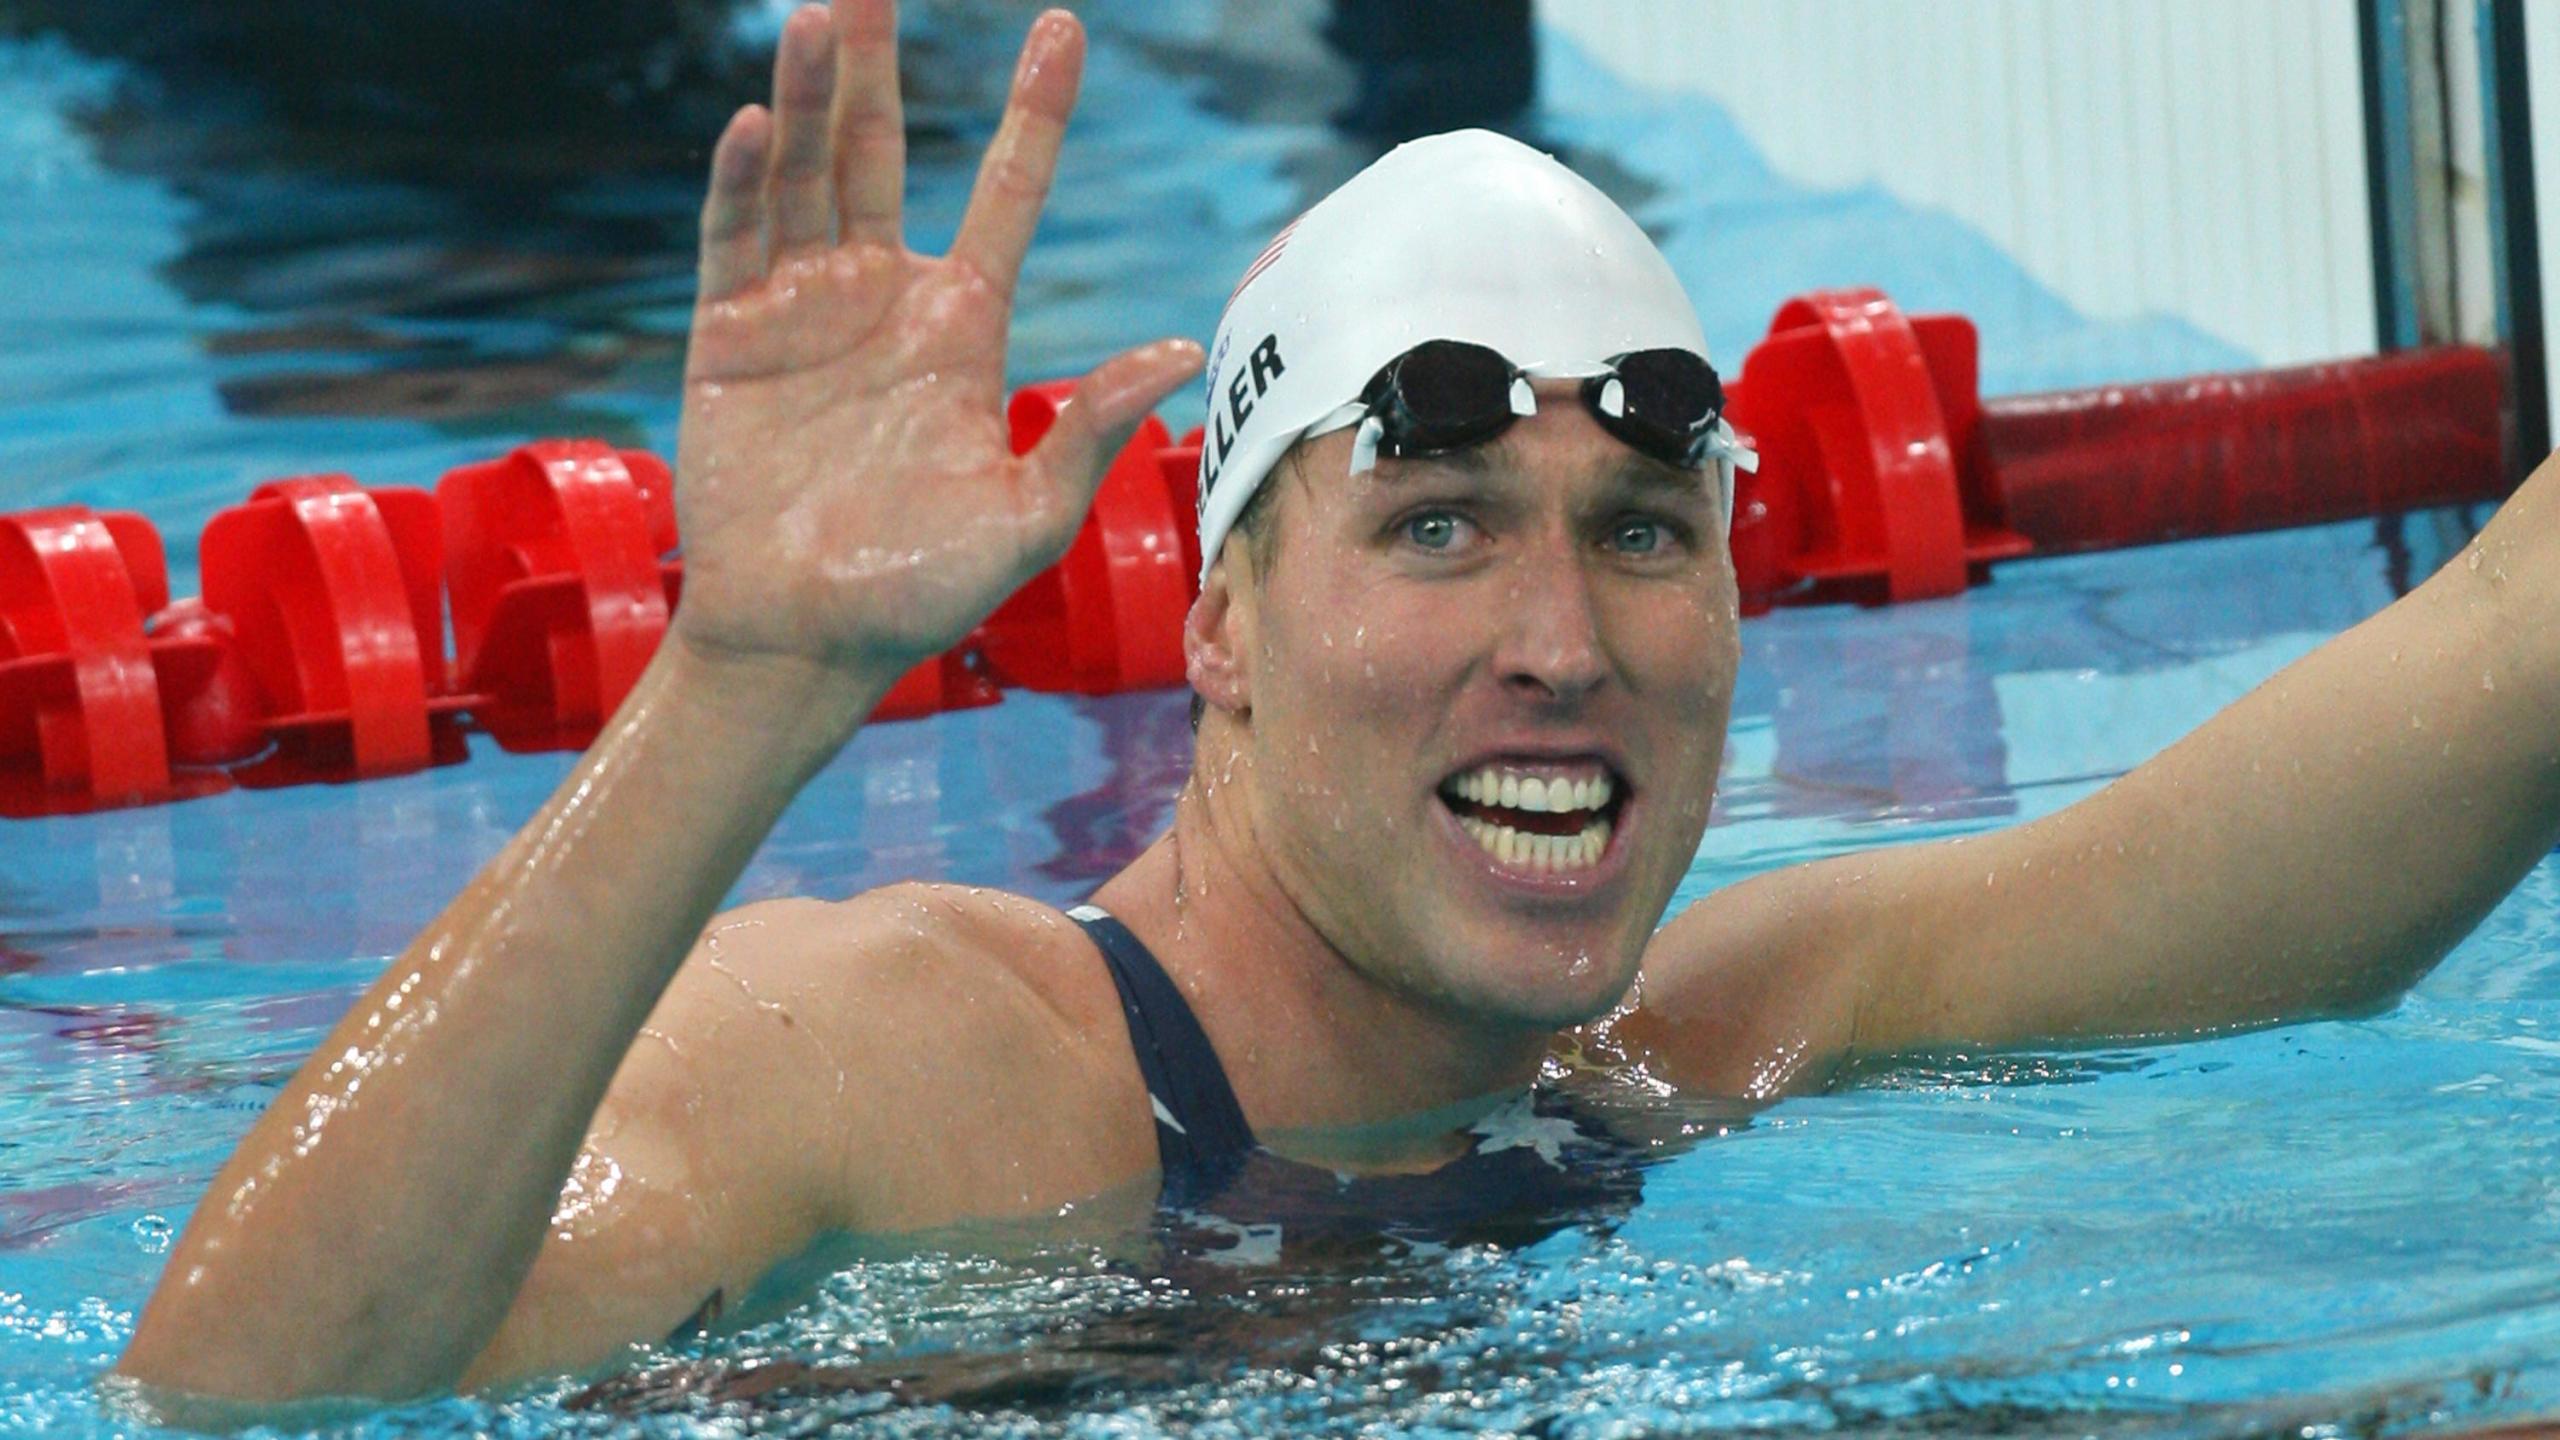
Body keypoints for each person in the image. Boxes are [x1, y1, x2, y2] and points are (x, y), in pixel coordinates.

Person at [115, 1, 2560, 1407]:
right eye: (1433, 522)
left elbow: (2478, 676)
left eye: (1634, 531)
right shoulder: (916, 1060)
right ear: (1210, 622)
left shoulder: (1692, 1062)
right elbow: (242, 1407)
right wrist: (743, 681)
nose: (1560, 641)